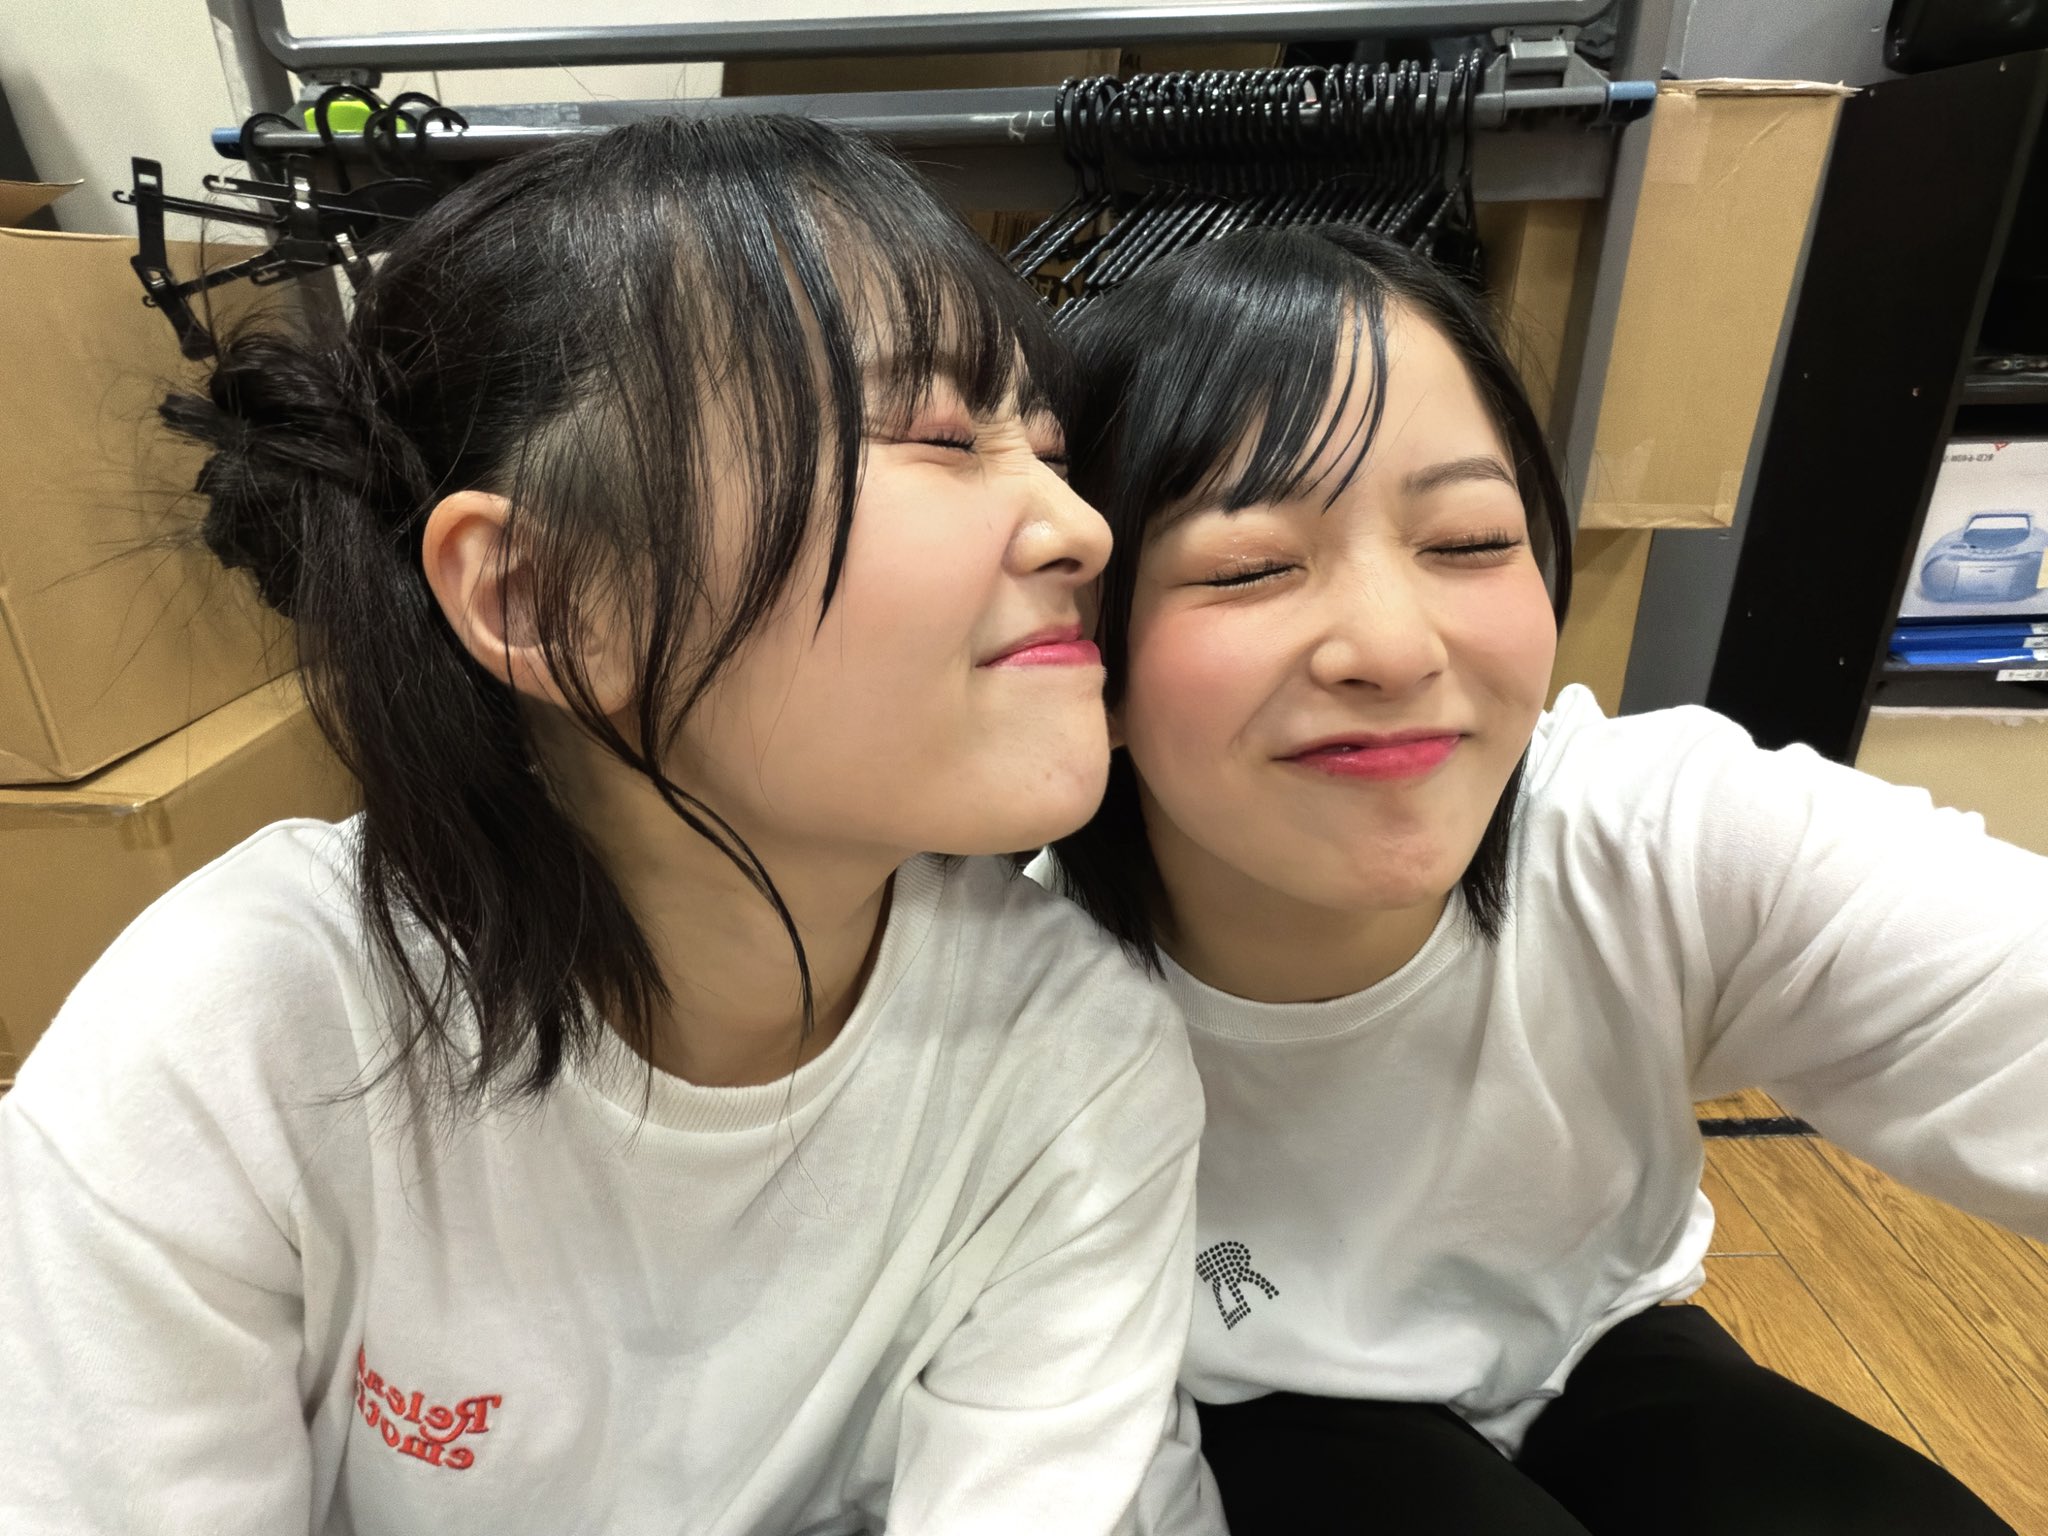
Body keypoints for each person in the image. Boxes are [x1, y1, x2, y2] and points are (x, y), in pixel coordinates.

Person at [0, 116, 1217, 1536]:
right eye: (939, 437)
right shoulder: (241, 1040)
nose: (1079, 526)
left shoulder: (1077, 1059)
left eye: (1049, 449)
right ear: (542, 596)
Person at [1042, 223, 2047, 1535]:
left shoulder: (1657, 830)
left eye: (1467, 540)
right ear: (1085, 650)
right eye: (1253, 566)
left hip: (1601, 1346)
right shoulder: (1006, 976)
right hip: (1232, 1394)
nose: (1394, 648)